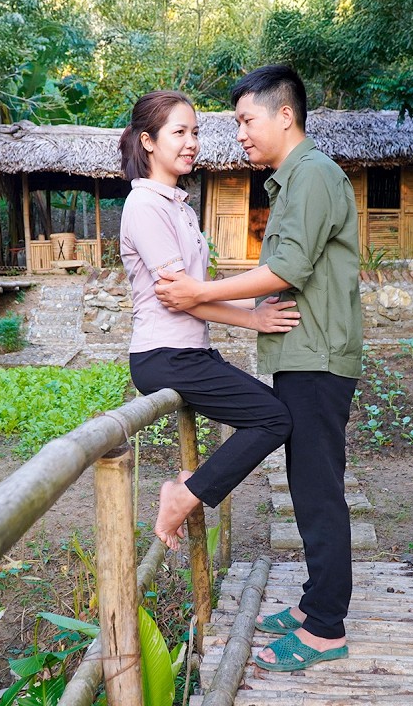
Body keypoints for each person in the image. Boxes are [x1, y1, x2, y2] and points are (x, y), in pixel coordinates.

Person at [153, 65, 361, 672]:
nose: (240, 133)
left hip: (318, 357)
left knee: (319, 490)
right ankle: (314, 604)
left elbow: (287, 271)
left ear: (284, 115)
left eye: (247, 120)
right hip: (304, 353)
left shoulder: (314, 175)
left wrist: (197, 293)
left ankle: (326, 629)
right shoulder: (291, 182)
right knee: (306, 485)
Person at [118, 90, 300, 555]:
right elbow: (183, 298)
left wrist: (250, 314)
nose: (191, 142)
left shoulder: (176, 203)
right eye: (179, 132)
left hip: (189, 353)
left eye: (194, 132)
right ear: (149, 142)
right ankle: (184, 493)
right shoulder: (145, 206)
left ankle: (189, 486)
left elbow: (197, 290)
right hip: (164, 355)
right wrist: (254, 319)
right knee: (275, 418)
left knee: (275, 413)